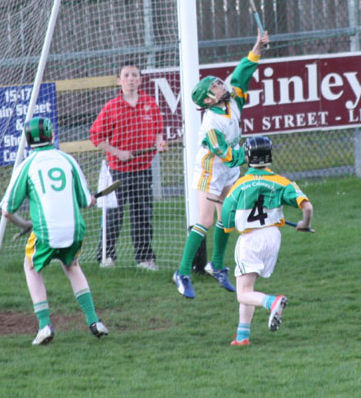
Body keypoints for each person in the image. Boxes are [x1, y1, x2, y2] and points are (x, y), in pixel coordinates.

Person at [173, 29, 270, 299]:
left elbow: (242, 73)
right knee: (204, 219)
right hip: (210, 169)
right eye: (215, 86)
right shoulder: (210, 123)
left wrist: (257, 46)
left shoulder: (233, 101)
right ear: (207, 100)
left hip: (229, 167)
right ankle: (181, 272)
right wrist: (249, 154)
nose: (221, 85)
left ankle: (215, 265)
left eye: (218, 82)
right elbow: (225, 154)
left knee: (226, 217)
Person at [0, 116, 108, 346]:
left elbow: (7, 211)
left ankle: (44, 326)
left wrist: (25, 223)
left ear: (28, 140)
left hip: (46, 232)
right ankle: (94, 321)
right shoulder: (67, 159)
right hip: (75, 229)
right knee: (72, 266)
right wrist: (91, 200)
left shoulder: (26, 166)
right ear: (51, 135)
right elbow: (86, 201)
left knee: (30, 267)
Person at [219, 135, 313, 346]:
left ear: (248, 157)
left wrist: (228, 226)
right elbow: (307, 207)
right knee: (249, 287)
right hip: (272, 237)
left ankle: (271, 302)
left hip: (251, 239)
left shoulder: (240, 184)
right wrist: (304, 224)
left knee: (242, 293)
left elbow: (226, 214)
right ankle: (242, 336)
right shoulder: (282, 182)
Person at [89, 63, 167, 270]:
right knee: (113, 216)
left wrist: (159, 142)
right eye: (126, 75)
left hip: (143, 170)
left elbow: (158, 131)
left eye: (135, 75)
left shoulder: (150, 103)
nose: (131, 78)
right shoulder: (111, 107)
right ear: (119, 80)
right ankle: (106, 257)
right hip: (117, 171)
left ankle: (144, 258)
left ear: (140, 80)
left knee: (142, 215)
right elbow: (96, 137)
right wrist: (117, 152)